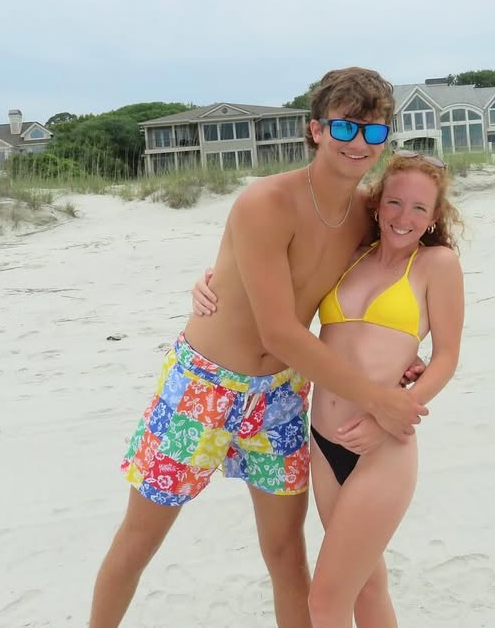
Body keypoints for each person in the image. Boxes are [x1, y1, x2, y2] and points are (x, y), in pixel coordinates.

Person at [88, 67, 430, 628]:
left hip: (282, 395)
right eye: (345, 127)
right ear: (316, 130)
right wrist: (377, 396)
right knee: (141, 539)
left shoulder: (368, 216)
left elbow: (408, 275)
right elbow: (277, 331)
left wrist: (403, 349)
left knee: (286, 553)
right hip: (203, 386)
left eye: (374, 131)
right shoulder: (266, 203)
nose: (359, 143)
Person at [192, 151, 466, 627]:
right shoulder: (350, 254)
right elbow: (274, 280)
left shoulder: (436, 265)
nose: (404, 216)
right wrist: (208, 281)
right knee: (367, 587)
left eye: (419, 208)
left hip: (382, 446)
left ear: (434, 217)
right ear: (377, 205)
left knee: (324, 602)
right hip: (323, 443)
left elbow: (446, 357)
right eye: (395, 202)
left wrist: (394, 412)